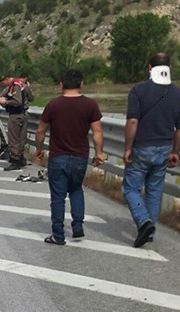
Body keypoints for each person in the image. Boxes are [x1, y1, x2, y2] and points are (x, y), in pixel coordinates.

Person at [35, 69, 104, 245]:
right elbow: (97, 132)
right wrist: (99, 153)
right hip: (80, 156)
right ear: (81, 84)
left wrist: (38, 150)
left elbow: (41, 131)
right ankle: (77, 225)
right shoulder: (90, 105)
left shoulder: (53, 105)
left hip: (58, 157)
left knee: (58, 197)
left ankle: (58, 235)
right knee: (76, 189)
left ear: (61, 85)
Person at [122, 52, 180, 248]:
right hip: (164, 147)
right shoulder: (177, 93)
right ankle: (150, 231)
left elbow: (132, 121)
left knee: (130, 188)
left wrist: (128, 148)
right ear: (169, 68)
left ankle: (144, 221)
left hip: (142, 147)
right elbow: (179, 128)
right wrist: (175, 151)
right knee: (154, 191)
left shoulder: (138, 90)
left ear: (149, 68)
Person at [0, 76, 28, 171]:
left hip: (16, 115)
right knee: (21, 138)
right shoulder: (22, 85)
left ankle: (15, 160)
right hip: (24, 114)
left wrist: (6, 102)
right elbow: (31, 97)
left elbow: (17, 102)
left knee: (13, 139)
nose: (3, 86)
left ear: (7, 79)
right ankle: (21, 158)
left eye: (3, 83)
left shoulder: (14, 86)